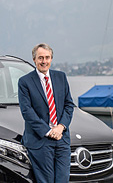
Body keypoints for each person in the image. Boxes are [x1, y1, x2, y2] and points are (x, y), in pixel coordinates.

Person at [18, 43, 75, 183]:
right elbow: (27, 111)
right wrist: (49, 131)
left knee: (62, 180)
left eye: (47, 57)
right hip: (40, 140)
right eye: (40, 58)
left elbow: (69, 105)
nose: (44, 61)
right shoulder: (25, 82)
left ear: (51, 59)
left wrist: (60, 127)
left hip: (61, 139)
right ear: (34, 60)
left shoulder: (61, 77)